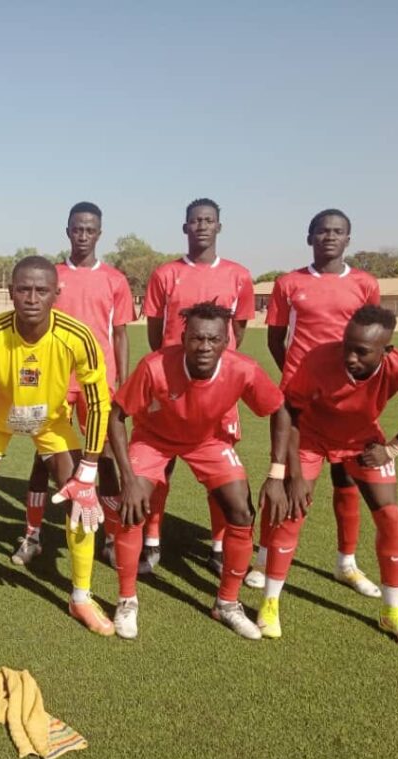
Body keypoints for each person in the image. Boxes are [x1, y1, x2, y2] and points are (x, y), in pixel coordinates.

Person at [0, 256, 114, 636]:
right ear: (11, 292)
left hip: (51, 423)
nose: (32, 298)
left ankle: (81, 597)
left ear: (56, 293)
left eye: (41, 290)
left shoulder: (77, 335)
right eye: (23, 289)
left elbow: (99, 402)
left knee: (83, 500)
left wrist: (88, 471)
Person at [257, 306, 398, 648]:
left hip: (362, 441)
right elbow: (288, 411)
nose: (350, 357)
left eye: (362, 351)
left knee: (389, 517)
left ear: (386, 351)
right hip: (310, 437)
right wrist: (291, 474)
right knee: (292, 512)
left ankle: (393, 612)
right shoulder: (318, 359)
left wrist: (392, 449)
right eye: (346, 346)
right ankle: (270, 603)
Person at [107, 302, 290, 640]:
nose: (204, 347)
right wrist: (128, 480)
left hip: (207, 440)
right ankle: (127, 600)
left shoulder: (243, 369)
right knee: (132, 507)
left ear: (227, 341)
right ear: (183, 338)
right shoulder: (154, 366)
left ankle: (227, 603)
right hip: (153, 439)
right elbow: (116, 416)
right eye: (196, 338)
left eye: (213, 339)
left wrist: (277, 473)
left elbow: (279, 409)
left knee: (241, 510)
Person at [245, 209, 382, 595]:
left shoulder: (365, 284)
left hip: (347, 400)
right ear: (310, 237)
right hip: (299, 401)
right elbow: (275, 338)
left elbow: (372, 337)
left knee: (346, 479)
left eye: (338, 232)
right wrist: (296, 378)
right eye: (322, 231)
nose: (330, 237)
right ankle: (264, 557)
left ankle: (346, 563)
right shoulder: (289, 283)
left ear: (348, 239)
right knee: (285, 476)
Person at [12, 202, 134, 568]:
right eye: (77, 229)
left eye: (90, 230)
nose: (83, 235)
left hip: (98, 382)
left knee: (106, 461)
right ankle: (32, 535)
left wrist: (122, 382)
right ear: (68, 231)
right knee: (43, 459)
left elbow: (120, 334)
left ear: (99, 233)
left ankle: (110, 537)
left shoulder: (115, 280)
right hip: (55, 381)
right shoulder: (52, 275)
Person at [141, 199, 256, 576]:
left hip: (218, 389)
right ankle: (152, 541)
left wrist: (216, 366)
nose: (202, 226)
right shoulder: (165, 274)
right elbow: (156, 334)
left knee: (219, 472)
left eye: (208, 220)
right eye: (195, 221)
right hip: (171, 388)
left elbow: (238, 331)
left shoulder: (239, 275)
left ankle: (219, 547)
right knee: (161, 465)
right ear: (185, 227)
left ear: (219, 227)